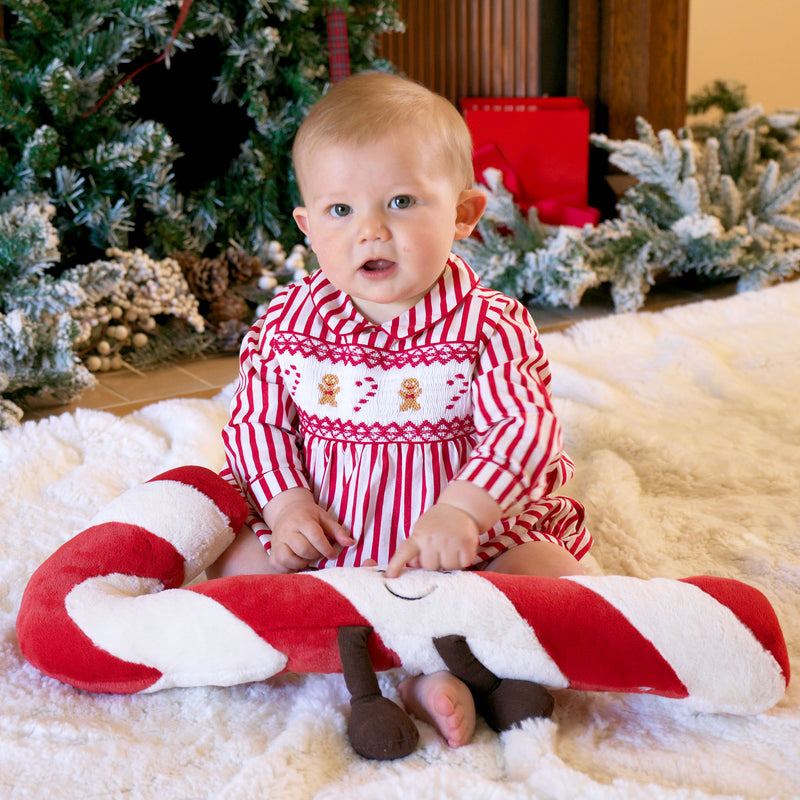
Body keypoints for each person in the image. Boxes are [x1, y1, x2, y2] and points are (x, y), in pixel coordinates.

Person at [209, 71, 592, 749]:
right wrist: (287, 505)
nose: (371, 231)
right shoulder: (286, 323)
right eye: (340, 211)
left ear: (465, 214)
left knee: (560, 587)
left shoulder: (488, 326)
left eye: (401, 201)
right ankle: (416, 670)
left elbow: (522, 430)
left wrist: (464, 510)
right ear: (307, 225)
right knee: (233, 571)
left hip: (470, 542)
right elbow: (257, 424)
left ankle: (436, 668)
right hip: (335, 536)